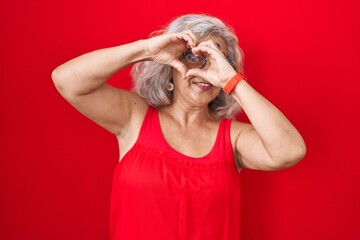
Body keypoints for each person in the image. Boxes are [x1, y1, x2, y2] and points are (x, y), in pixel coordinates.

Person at [52, 14, 306, 240]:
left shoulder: (233, 137)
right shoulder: (134, 117)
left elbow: (289, 151)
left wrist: (231, 80)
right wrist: (147, 49)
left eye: (215, 59)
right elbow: (66, 81)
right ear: (172, 65)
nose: (205, 71)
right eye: (196, 58)